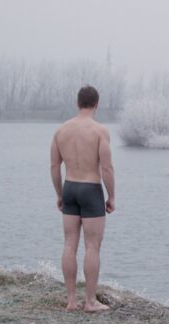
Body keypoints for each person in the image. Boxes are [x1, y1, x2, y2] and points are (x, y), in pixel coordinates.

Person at [50, 85, 115, 312]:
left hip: (70, 187)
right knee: (92, 246)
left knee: (69, 244)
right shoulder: (99, 131)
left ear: (78, 103)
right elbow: (106, 168)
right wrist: (112, 196)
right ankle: (90, 301)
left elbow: (55, 166)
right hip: (91, 189)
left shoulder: (61, 131)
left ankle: (71, 301)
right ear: (96, 104)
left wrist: (60, 194)